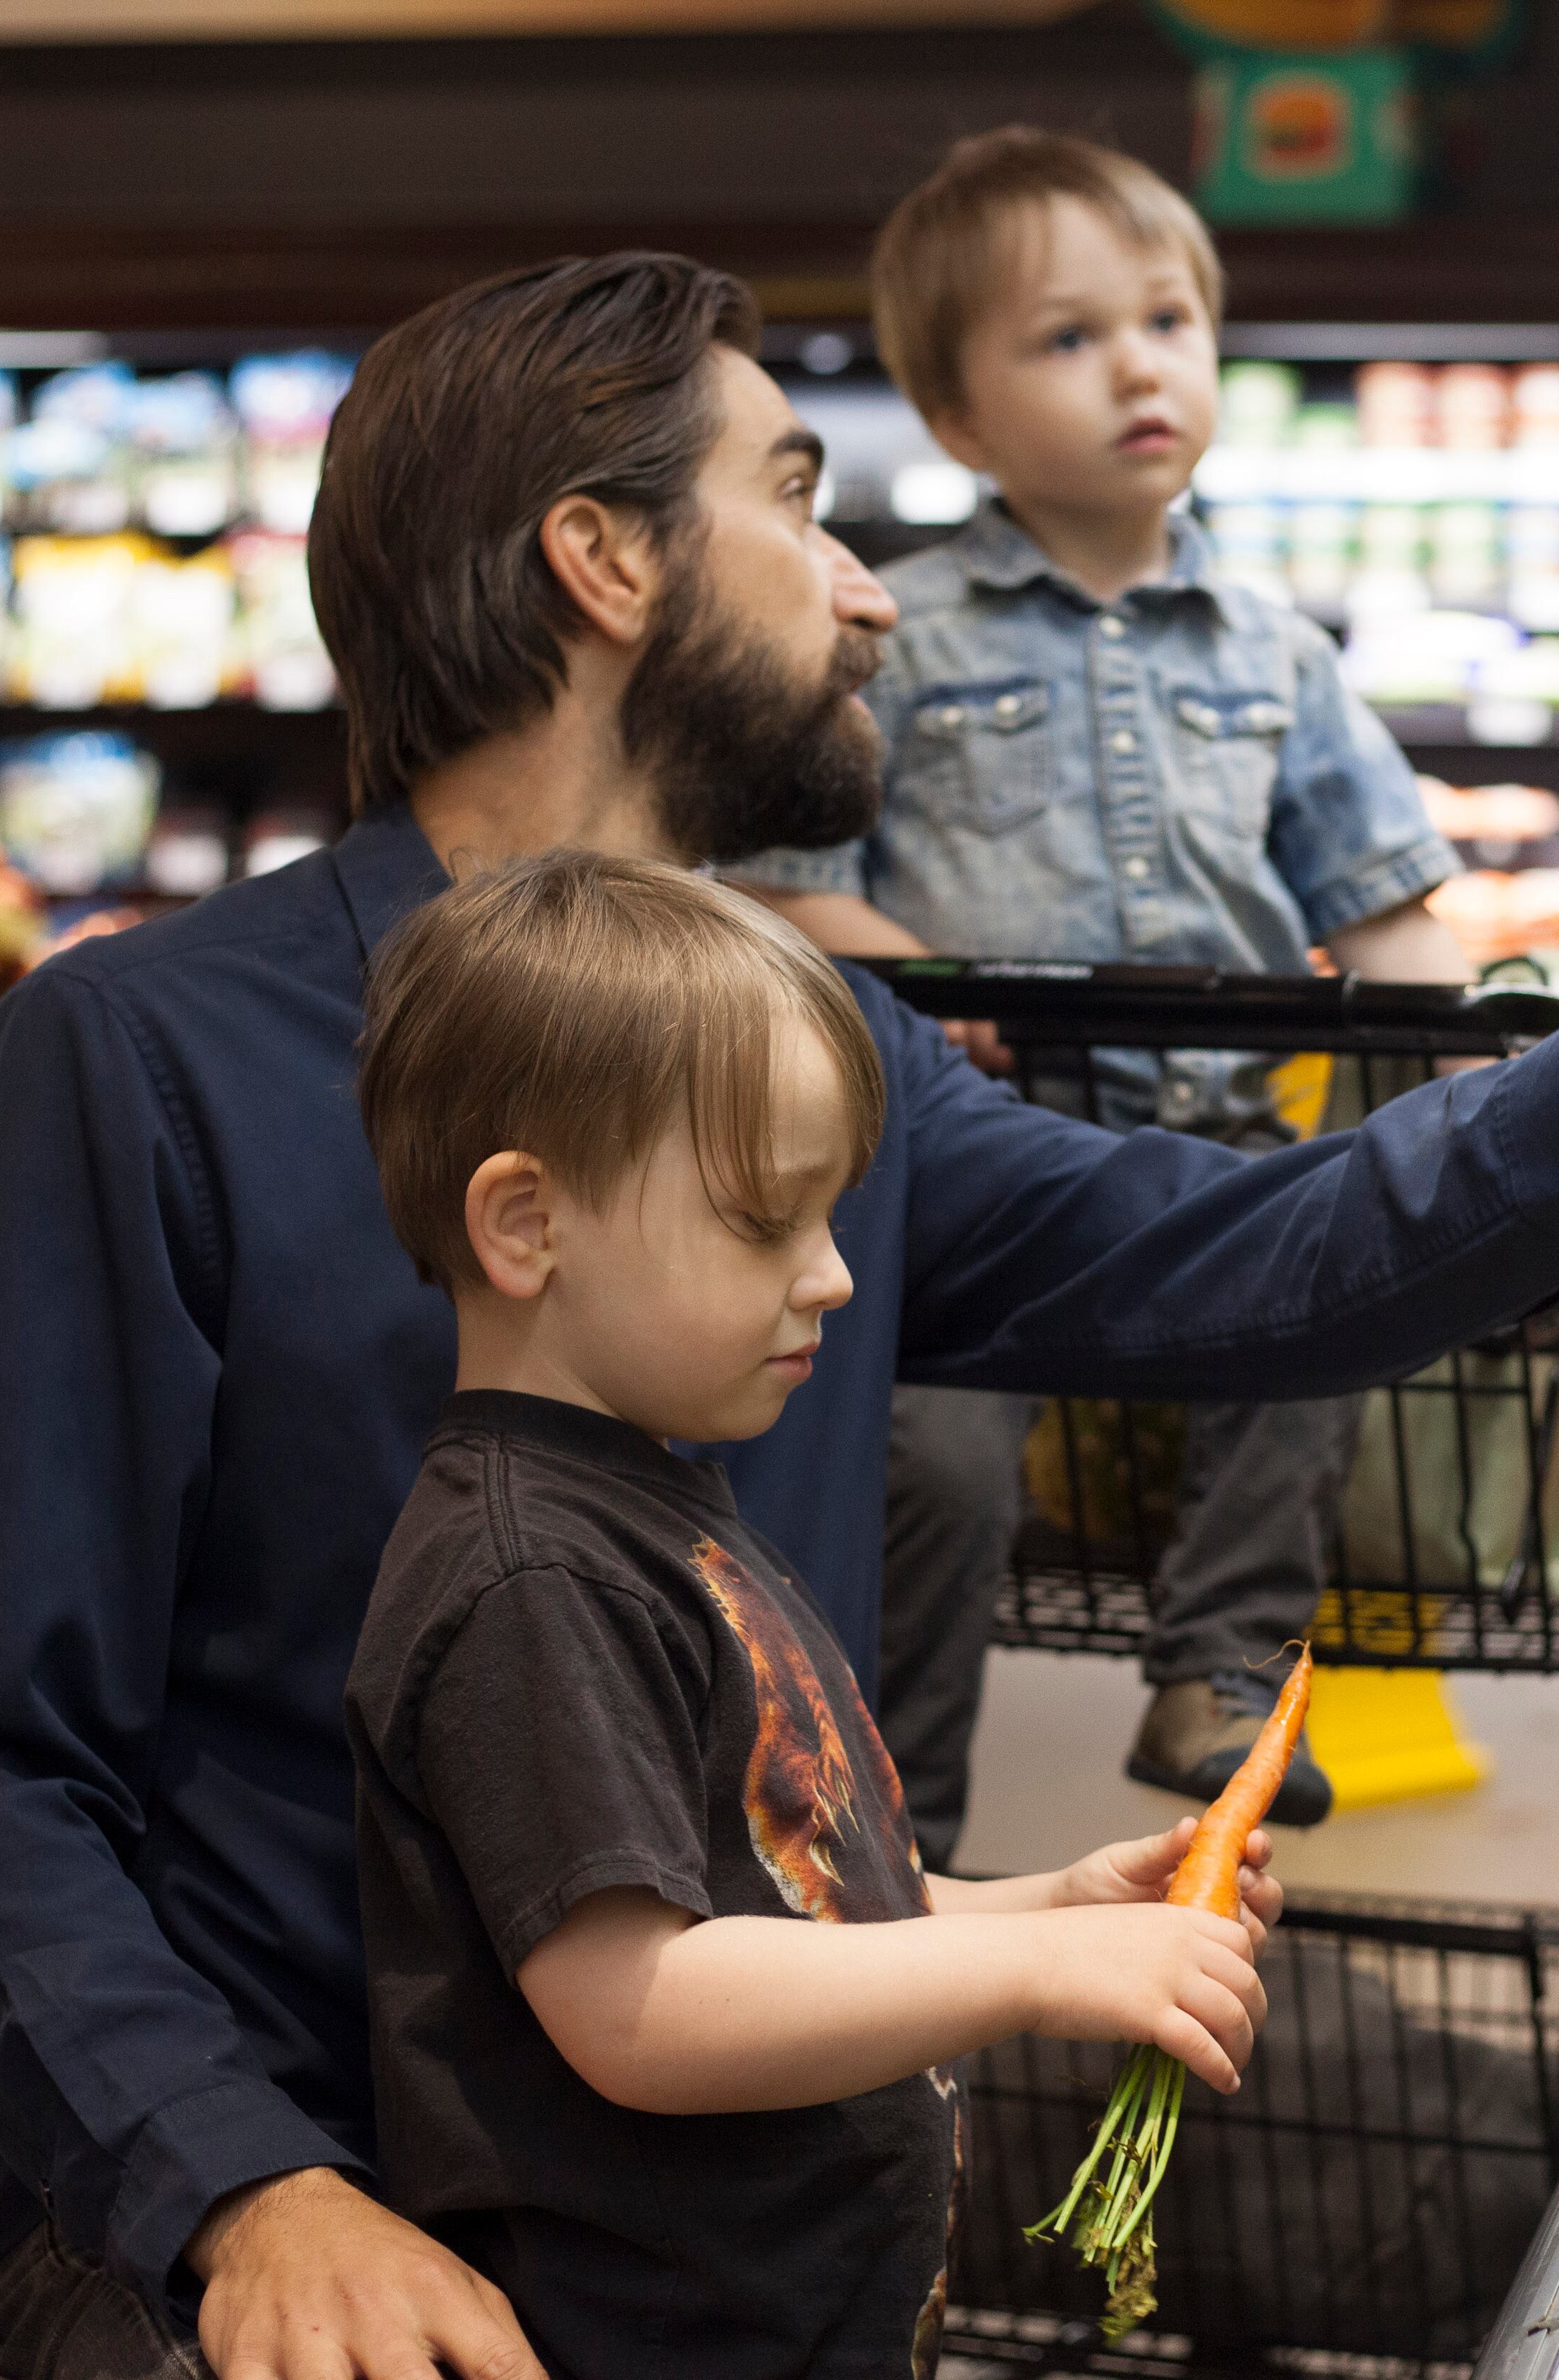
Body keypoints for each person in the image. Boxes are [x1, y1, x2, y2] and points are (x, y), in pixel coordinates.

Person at [0, 246, 1559, 2380]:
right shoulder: (133, 1065)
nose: (876, 591)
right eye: (807, 503)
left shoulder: (823, 1059)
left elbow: (1231, 1260)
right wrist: (249, 2194)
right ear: (602, 559)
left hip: (713, 2231)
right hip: (252, 2243)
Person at [346, 849, 1278, 2377]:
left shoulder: (657, 1505)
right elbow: (640, 2000)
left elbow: (797, 1906)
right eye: (760, 1220)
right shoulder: (532, 1576)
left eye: (832, 1216)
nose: (835, 1277)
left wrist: (1053, 1907)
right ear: (525, 1224)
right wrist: (1030, 1978)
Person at [728, 129, 1468, 1855]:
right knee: (935, 1461)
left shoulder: (1278, 652)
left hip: (1215, 1141)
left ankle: (1215, 1667)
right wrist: (917, 979)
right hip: (966, 1163)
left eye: (1168, 322)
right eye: (1068, 338)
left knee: (1321, 1313)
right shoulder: (892, 634)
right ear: (964, 419)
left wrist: (1485, 1063)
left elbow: (1392, 908)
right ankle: (890, 1813)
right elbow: (782, 886)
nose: (1138, 364)